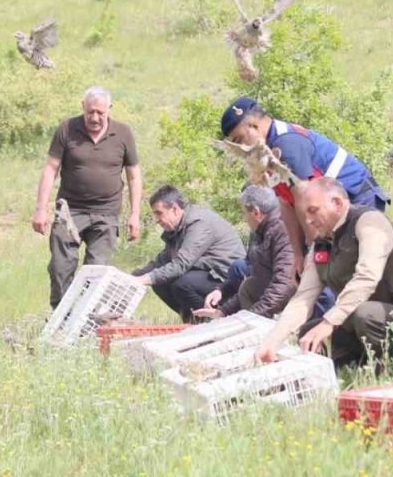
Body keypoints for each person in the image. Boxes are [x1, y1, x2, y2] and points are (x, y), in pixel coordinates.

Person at [256, 178, 393, 368]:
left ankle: (392, 367)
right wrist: (272, 342)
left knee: (365, 314)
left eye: (313, 210)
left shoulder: (369, 222)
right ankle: (354, 368)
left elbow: (367, 278)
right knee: (309, 332)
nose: (307, 220)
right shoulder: (321, 243)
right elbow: (303, 298)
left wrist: (329, 323)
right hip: (360, 318)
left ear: (337, 203)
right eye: (304, 213)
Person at [220, 97, 391, 273]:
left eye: (240, 140)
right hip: (332, 210)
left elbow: (307, 200)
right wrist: (297, 254)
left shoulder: (287, 143)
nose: (241, 149)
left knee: (357, 271)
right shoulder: (267, 152)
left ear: (254, 126)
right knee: (326, 272)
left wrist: (313, 248)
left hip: (359, 200)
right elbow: (286, 203)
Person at [32, 87, 143, 309]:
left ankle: (84, 318)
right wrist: (41, 209)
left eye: (100, 113)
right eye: (90, 112)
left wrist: (135, 215)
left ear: (109, 110)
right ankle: (61, 316)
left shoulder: (123, 133)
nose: (94, 117)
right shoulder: (67, 128)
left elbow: (134, 176)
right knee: (60, 267)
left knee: (96, 271)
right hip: (69, 211)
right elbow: (50, 169)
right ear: (83, 107)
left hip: (106, 214)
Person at [133, 185, 245, 322]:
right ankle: (192, 321)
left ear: (174, 209)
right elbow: (164, 260)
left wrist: (146, 278)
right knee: (159, 282)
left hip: (226, 280)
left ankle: (211, 321)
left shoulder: (198, 223)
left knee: (182, 284)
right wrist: (133, 277)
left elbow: (181, 264)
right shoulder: (178, 226)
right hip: (208, 273)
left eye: (159, 213)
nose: (156, 219)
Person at [192, 185, 298, 321]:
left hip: (297, 301)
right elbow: (258, 277)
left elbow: (284, 285)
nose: (244, 218)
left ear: (256, 212)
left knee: (248, 283)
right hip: (271, 298)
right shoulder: (261, 231)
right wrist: (222, 312)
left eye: (244, 213)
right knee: (248, 285)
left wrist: (250, 318)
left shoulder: (283, 231)